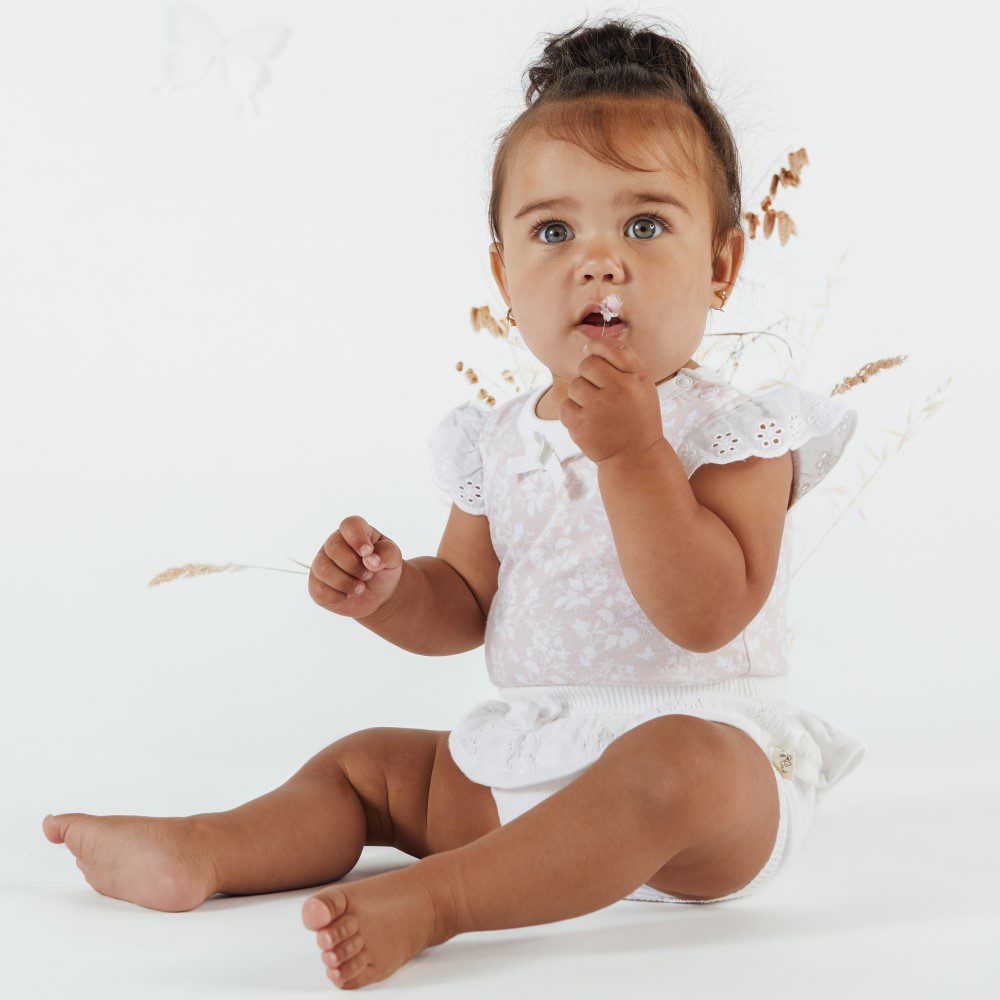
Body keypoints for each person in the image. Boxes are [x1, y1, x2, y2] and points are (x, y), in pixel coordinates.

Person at [42, 13, 866, 990]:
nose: (599, 259)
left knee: (679, 763)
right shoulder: (499, 438)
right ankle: (210, 849)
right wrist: (390, 593)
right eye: (553, 229)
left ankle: (443, 899)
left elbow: (704, 614)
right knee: (366, 766)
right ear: (504, 276)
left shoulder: (735, 432)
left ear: (721, 264)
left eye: (644, 223)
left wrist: (635, 453)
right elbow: (465, 607)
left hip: (704, 801)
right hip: (526, 760)